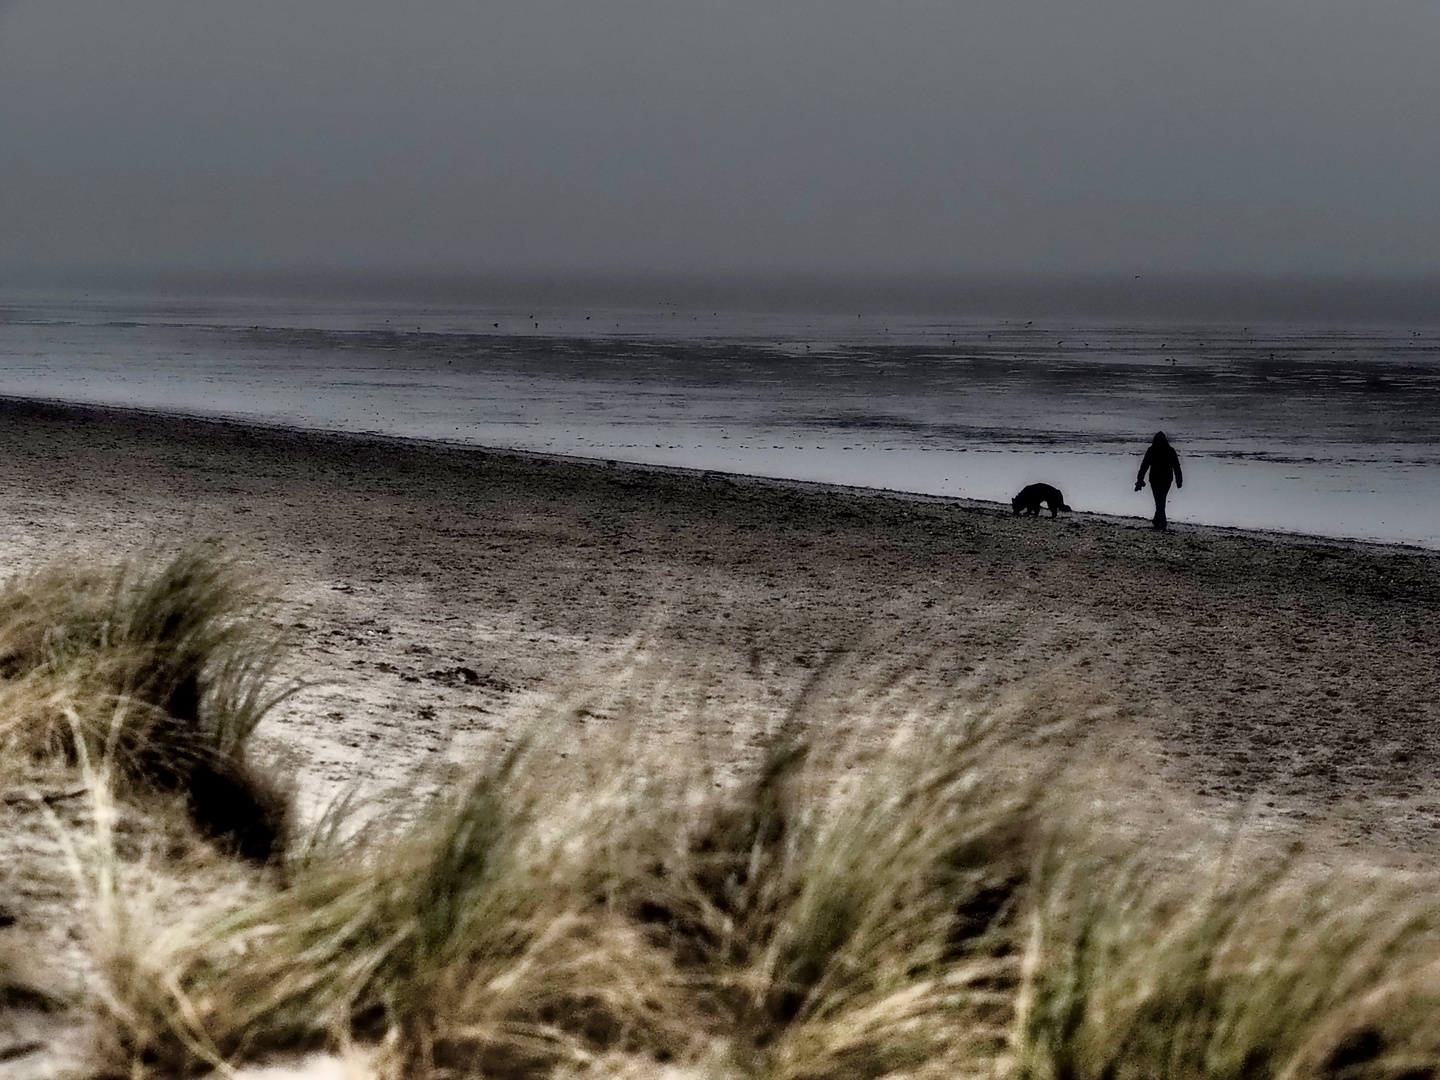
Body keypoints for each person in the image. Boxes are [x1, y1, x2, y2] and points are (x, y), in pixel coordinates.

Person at [1135, 431, 1182, 530]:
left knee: (1158, 500)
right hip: (1166, 478)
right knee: (1162, 498)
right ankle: (1161, 520)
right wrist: (1179, 480)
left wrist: (1140, 480)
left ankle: (1158, 519)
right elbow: (1176, 466)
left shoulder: (1152, 450)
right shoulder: (1170, 450)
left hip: (1154, 478)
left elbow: (1144, 466)